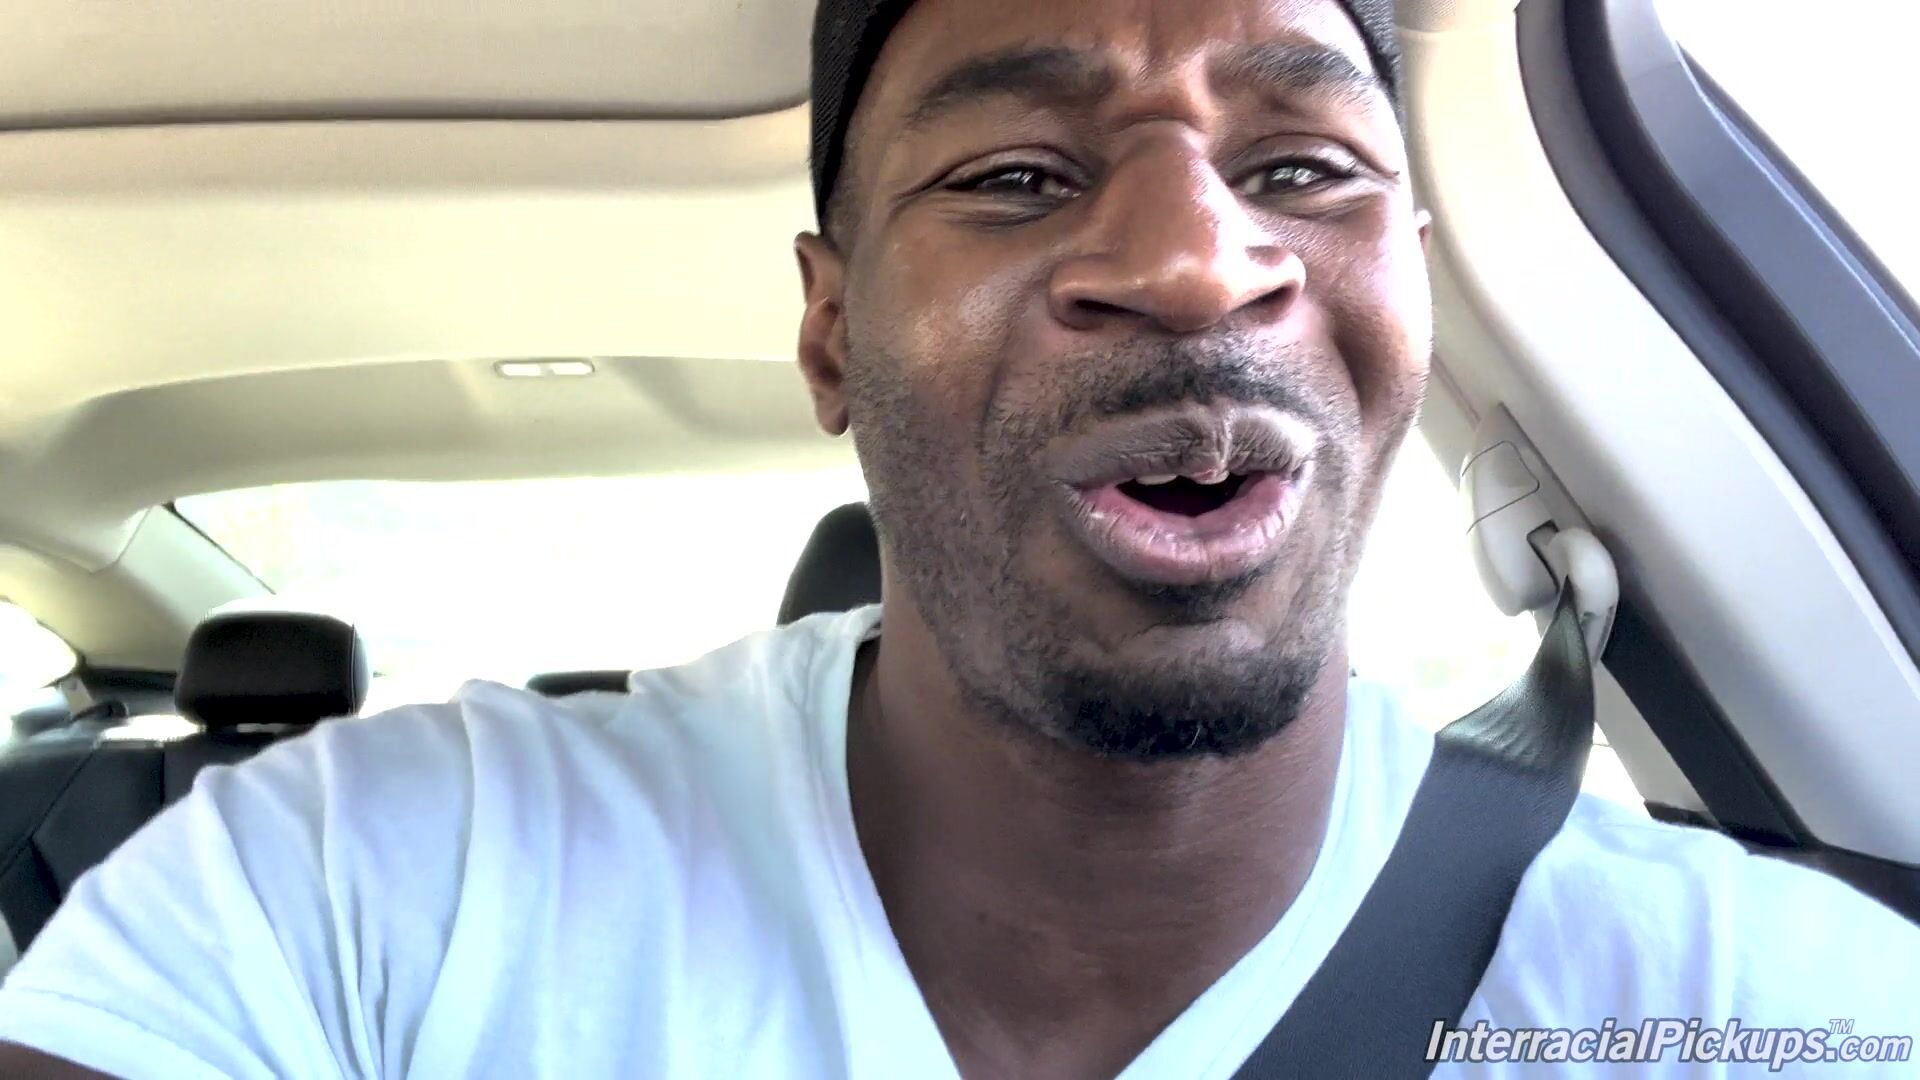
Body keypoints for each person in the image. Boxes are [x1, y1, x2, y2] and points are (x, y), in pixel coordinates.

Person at [3, 0, 1916, 1076]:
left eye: (1301, 168)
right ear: (831, 334)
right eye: (1013, 173)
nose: (1197, 261)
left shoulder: (1759, 1009)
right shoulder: (352, 885)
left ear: (1408, 297)